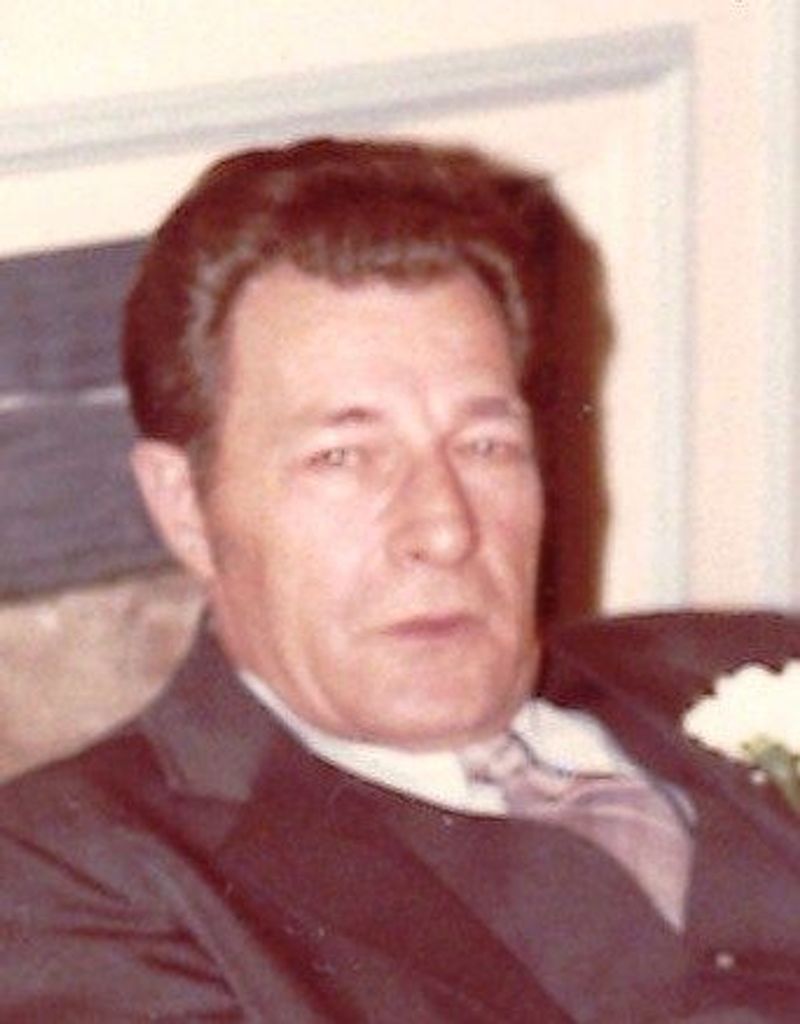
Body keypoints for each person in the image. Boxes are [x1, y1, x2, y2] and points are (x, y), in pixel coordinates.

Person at [0, 137, 798, 1023]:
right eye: (343, 457)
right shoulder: (70, 879)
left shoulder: (746, 664)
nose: (445, 529)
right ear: (187, 505)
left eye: (484, 445)